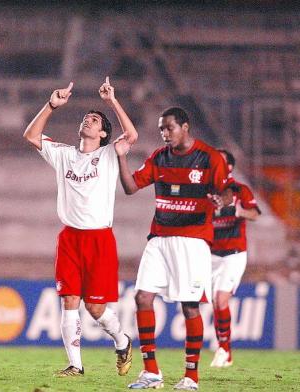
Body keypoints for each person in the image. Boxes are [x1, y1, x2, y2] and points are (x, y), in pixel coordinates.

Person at [23, 77, 138, 377]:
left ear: (102, 133)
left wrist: (111, 101)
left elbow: (131, 135)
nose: (89, 120)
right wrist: (51, 105)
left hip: (100, 239)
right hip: (70, 238)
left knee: (95, 310)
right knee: (69, 301)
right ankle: (75, 365)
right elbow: (31, 135)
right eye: (87, 117)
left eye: (95, 120)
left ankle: (122, 340)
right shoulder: (64, 154)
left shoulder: (110, 154)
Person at [115, 107, 230, 390]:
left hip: (192, 241)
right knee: (142, 298)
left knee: (190, 307)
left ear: (185, 127)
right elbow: (131, 187)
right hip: (159, 238)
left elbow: (227, 190)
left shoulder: (209, 157)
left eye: (169, 128)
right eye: (161, 130)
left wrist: (221, 200)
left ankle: (191, 376)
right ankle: (151, 372)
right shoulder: (159, 157)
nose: (165, 134)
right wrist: (121, 156)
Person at [210, 149, 261, 368]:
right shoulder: (206, 190)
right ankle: (223, 348)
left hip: (234, 253)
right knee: (214, 301)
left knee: (221, 299)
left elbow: (256, 213)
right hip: (211, 254)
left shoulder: (240, 190)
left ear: (229, 167)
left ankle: (224, 350)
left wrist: (240, 212)